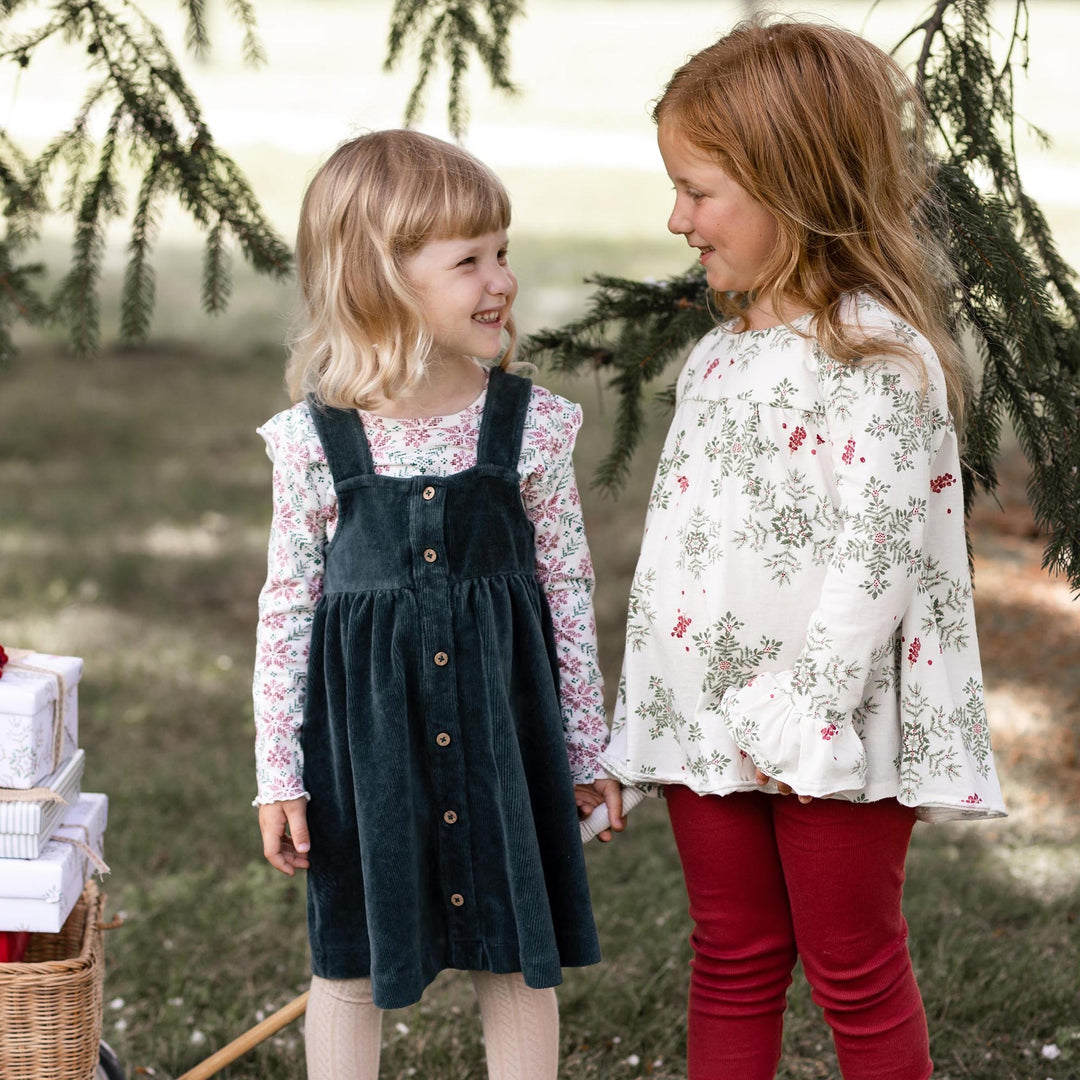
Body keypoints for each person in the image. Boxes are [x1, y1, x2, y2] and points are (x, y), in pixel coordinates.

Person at [599, 17, 1007, 1080]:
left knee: (854, 968)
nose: (677, 218)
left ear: (795, 185)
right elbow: (689, 553)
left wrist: (804, 707)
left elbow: (880, 554)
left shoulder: (878, 358)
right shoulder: (720, 357)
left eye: (699, 190)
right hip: (708, 711)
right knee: (730, 956)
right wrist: (656, 705)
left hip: (830, 723)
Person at [252, 129, 620, 1080]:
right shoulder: (313, 443)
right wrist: (279, 774)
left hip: (503, 735)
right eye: (468, 261)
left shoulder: (530, 425)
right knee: (353, 954)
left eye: (503, 252)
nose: (500, 280)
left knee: (515, 952)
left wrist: (585, 748)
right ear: (381, 279)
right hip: (366, 751)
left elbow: (568, 589)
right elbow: (289, 607)